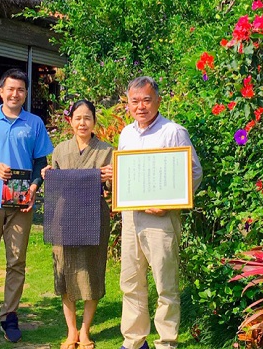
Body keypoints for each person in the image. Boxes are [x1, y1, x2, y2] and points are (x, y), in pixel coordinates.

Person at [0, 69, 54, 343]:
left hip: (20, 203)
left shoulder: (34, 123)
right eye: (10, 89)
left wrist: (34, 189)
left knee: (17, 262)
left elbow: (40, 161)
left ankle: (10, 315)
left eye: (21, 90)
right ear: (1, 91)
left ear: (25, 94)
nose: (15, 94)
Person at [117, 76, 202, 349]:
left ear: (158, 101)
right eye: (135, 101)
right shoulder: (126, 134)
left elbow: (194, 173)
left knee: (165, 283)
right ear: (128, 104)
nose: (140, 106)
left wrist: (170, 204)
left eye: (146, 100)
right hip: (131, 216)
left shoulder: (173, 131)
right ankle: (134, 340)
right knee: (131, 281)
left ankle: (166, 342)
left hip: (161, 219)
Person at [41, 100, 114, 349]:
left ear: (94, 121)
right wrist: (47, 175)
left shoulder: (106, 150)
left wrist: (111, 177)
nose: (82, 122)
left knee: (92, 272)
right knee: (65, 271)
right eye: (78, 118)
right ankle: (71, 331)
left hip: (94, 216)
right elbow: (57, 185)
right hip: (65, 217)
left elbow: (111, 191)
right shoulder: (60, 150)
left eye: (87, 117)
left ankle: (85, 331)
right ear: (70, 121)